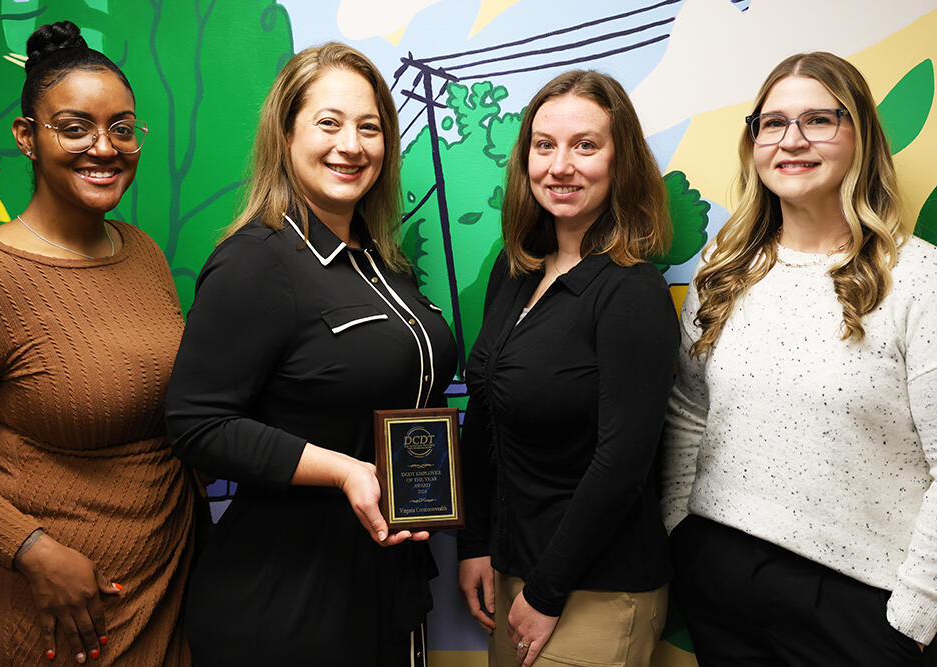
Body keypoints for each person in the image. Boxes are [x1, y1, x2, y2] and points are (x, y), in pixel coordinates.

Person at [164, 42, 457, 667]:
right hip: (287, 600)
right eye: (329, 122)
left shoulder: (382, 265)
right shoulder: (255, 261)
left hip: (383, 583)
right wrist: (344, 470)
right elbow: (195, 424)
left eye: (369, 127)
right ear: (286, 134)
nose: (351, 145)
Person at [0, 21, 202, 666]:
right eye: (75, 127)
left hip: (167, 587)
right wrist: (33, 551)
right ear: (26, 137)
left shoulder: (142, 253)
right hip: (51, 617)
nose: (104, 148)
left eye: (122, 128)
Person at [661, 51, 937, 666]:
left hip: (860, 602)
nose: (792, 140)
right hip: (720, 576)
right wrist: (680, 530)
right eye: (773, 123)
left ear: (860, 135)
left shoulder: (920, 280)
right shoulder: (722, 272)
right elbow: (689, 411)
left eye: (818, 120)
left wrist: (915, 616)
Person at [456, 69, 679, 667]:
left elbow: (621, 463)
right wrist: (475, 542)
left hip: (592, 590)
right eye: (544, 145)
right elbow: (484, 416)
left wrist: (547, 590)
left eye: (585, 145)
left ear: (620, 160)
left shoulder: (633, 291)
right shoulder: (514, 271)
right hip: (512, 574)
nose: (560, 166)